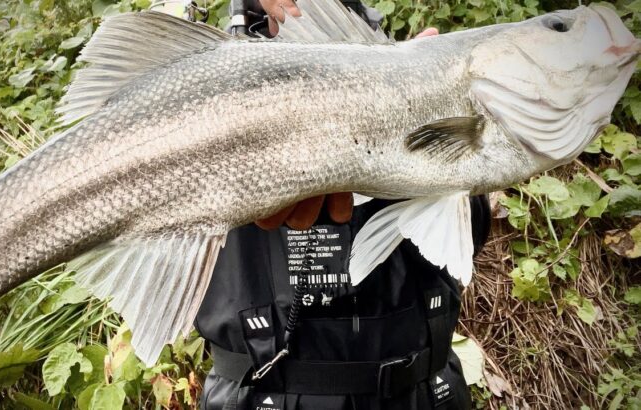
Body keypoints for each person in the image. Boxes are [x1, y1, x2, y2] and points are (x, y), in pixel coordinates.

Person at [194, 1, 491, 409]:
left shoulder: (415, 70)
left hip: (424, 391)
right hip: (260, 393)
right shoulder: (207, 88)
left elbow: (466, 237)